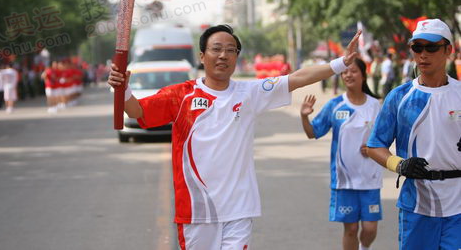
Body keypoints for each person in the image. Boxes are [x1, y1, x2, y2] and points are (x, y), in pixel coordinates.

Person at [108, 24, 361, 250]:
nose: (223, 56)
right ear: (202, 56)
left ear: (237, 57)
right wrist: (124, 88)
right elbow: (138, 111)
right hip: (197, 211)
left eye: (231, 50)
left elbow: (295, 79)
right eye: (216, 49)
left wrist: (340, 63)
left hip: (239, 208)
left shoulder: (249, 92)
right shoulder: (181, 95)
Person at [367, 19, 461, 250]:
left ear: (448, 50)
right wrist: (399, 165)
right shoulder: (400, 97)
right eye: (417, 48)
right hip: (418, 203)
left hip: (458, 203)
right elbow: (374, 145)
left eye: (431, 47)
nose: (423, 55)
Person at [300, 58, 382, 250]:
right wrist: (304, 116)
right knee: (351, 229)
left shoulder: (376, 106)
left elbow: (386, 135)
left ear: (363, 75)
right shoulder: (335, 105)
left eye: (353, 71)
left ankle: (364, 247)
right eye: (344, 72)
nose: (347, 75)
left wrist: (372, 148)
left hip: (370, 178)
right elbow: (313, 132)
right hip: (344, 180)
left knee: (370, 229)